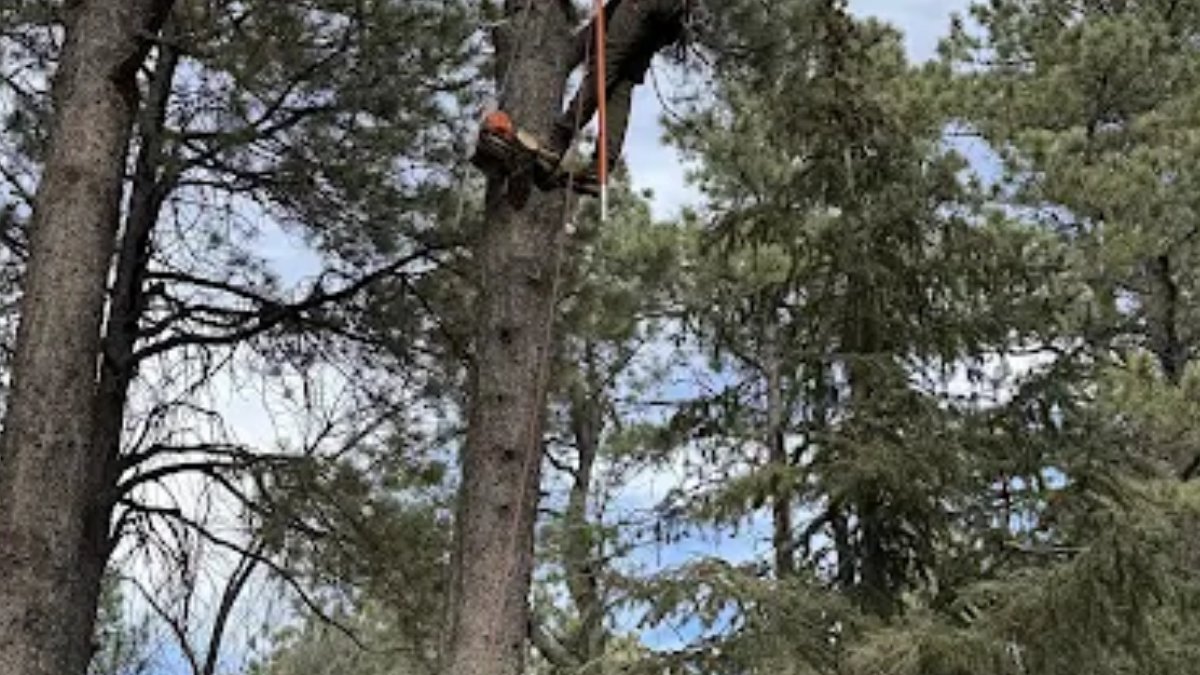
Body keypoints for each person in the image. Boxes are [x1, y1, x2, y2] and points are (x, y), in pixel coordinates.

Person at [549, 0, 696, 173]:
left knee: (606, 65)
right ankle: (601, 166)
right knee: (622, 81)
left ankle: (560, 136)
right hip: (673, 18)